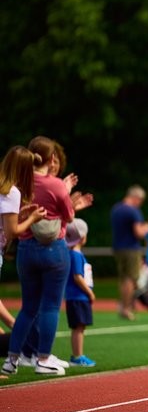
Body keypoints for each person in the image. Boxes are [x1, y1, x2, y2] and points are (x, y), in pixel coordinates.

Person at [2, 136, 91, 376]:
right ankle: (43, 358)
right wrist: (69, 194)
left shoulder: (19, 182)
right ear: (52, 159)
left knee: (28, 307)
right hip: (53, 250)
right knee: (51, 306)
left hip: (26, 248)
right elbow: (69, 216)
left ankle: (12, 360)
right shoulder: (55, 185)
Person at [0, 146, 47, 272]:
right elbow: (11, 232)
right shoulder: (12, 191)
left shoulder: (2, 186)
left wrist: (19, 216)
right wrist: (32, 219)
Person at [111, 185, 148, 320]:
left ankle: (122, 306)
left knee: (123, 278)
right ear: (136, 197)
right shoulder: (133, 211)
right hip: (131, 248)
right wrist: (147, 227)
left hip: (118, 248)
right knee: (131, 279)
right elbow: (139, 232)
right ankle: (127, 309)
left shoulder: (116, 209)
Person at [64, 218, 96, 367]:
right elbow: (78, 277)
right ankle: (77, 356)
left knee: (80, 326)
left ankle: (78, 355)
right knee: (79, 326)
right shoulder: (76, 255)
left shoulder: (73, 254)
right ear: (82, 237)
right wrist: (89, 292)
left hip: (77, 296)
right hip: (78, 296)